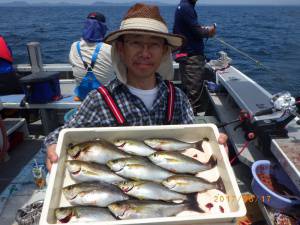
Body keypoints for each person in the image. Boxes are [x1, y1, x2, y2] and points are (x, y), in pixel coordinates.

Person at [45, 3, 227, 171]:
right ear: (121, 49)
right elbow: (59, 136)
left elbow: (191, 137)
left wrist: (212, 143)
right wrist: (53, 147)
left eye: (154, 44)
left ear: (164, 51)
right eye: (135, 42)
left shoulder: (177, 98)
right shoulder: (99, 100)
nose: (145, 53)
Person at [173, 0, 216, 114]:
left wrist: (203, 29)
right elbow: (198, 32)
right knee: (193, 94)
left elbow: (189, 28)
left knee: (188, 90)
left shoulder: (182, 6)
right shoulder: (187, 7)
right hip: (191, 57)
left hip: (185, 54)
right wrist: (209, 31)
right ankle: (191, 121)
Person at [69, 12, 115, 100]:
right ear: (103, 28)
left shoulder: (74, 46)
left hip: (83, 96)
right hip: (106, 97)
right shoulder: (110, 49)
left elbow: (73, 64)